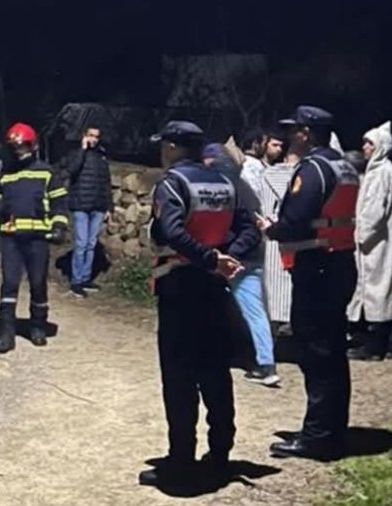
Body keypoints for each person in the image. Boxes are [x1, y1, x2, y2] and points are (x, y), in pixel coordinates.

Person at [139, 122, 257, 488]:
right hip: (213, 288)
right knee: (215, 371)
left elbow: (172, 231)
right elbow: (250, 229)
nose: (162, 152)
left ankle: (181, 461)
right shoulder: (226, 182)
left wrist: (209, 258)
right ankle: (220, 454)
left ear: (175, 148)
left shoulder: (173, 183)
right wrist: (224, 257)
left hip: (179, 287)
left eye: (164, 146)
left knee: (179, 378)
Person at [256, 106, 359, 460]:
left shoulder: (313, 168)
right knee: (332, 352)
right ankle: (331, 430)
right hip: (339, 261)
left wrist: (272, 228)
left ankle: (318, 438)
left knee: (316, 353)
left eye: (294, 130)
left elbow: (296, 221)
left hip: (318, 266)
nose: (288, 136)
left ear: (307, 133)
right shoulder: (344, 166)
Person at [203, 143, 279, 387]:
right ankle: (259, 360)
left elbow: (250, 231)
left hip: (238, 258)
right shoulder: (242, 186)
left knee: (248, 310)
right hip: (248, 256)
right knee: (249, 311)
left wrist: (228, 256)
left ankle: (264, 364)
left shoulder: (229, 189)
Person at [0, 123, 68, 353]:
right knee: (9, 283)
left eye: (22, 146)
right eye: (14, 147)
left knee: (37, 283)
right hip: (11, 238)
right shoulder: (5, 175)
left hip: (37, 238)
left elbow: (59, 204)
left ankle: (38, 326)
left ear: (32, 146)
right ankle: (5, 332)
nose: (18, 151)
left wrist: (59, 227)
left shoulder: (46, 173)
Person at [346, 121, 392, 361]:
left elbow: (374, 211)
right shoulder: (386, 171)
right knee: (384, 290)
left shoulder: (381, 174)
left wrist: (359, 235)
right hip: (382, 241)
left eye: (369, 143)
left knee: (377, 291)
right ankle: (385, 343)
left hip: (376, 244)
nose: (364, 148)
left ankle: (376, 346)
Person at [250, 130, 295, 330]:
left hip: (269, 234)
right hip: (289, 236)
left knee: (272, 287)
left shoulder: (263, 175)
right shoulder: (306, 175)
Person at [64, 126, 112, 297]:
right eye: (91, 135)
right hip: (81, 205)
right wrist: (83, 150)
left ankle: (85, 278)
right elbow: (72, 170)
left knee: (91, 244)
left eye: (96, 136)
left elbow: (106, 182)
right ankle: (76, 281)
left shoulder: (102, 157)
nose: (94, 139)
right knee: (81, 244)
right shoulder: (75, 154)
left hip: (97, 206)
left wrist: (109, 207)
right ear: (84, 136)